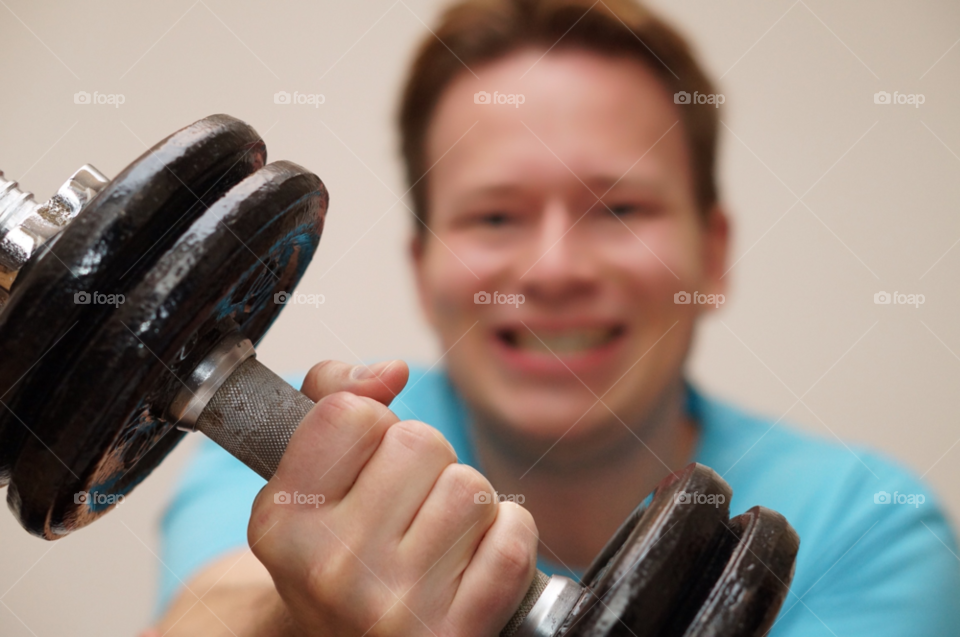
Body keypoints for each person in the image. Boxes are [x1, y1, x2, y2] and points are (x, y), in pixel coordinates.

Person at [150, 0, 960, 635]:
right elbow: (207, 611)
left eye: (620, 208)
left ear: (712, 257)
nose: (554, 269)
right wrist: (298, 613)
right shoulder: (308, 457)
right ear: (423, 269)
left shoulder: (866, 526)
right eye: (495, 217)